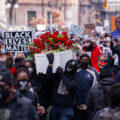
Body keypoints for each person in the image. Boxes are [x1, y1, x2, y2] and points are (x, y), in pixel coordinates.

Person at [46, 53, 78, 120]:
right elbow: (49, 77)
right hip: (55, 107)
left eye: (72, 66)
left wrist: (62, 75)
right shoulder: (59, 74)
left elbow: (70, 86)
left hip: (66, 108)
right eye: (68, 65)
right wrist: (50, 63)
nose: (69, 67)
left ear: (75, 68)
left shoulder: (75, 78)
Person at [74, 54, 98, 120]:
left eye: (86, 60)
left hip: (88, 105)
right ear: (80, 60)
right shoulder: (75, 70)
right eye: (83, 60)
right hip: (76, 104)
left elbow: (95, 87)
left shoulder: (93, 71)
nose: (84, 61)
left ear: (89, 61)